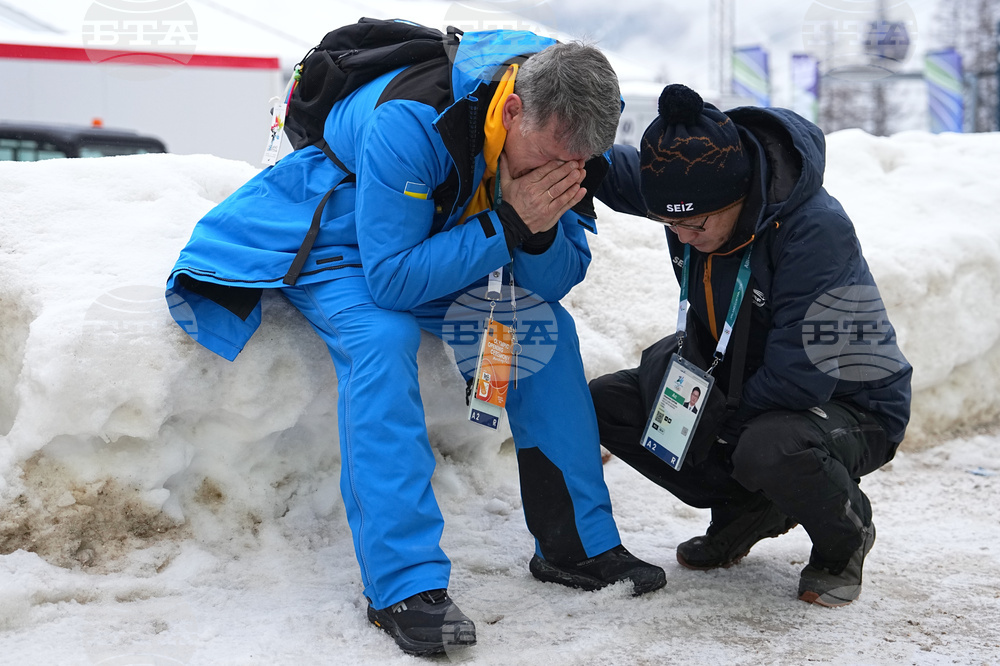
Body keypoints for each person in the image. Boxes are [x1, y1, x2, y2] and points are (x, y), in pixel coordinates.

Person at [165, 25, 664, 657]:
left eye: (574, 167)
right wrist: (509, 220)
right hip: (343, 237)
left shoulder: (560, 143)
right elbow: (393, 278)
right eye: (546, 162)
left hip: (450, 234)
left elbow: (556, 280)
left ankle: (576, 546)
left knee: (542, 327)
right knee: (382, 336)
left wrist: (534, 232)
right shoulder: (412, 119)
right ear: (513, 110)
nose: (558, 176)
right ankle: (403, 586)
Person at [592, 84, 912, 607]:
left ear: (740, 197)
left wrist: (709, 424)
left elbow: (801, 375)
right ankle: (748, 508)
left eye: (695, 223)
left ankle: (845, 537)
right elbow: (603, 165)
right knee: (610, 404)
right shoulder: (687, 198)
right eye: (669, 224)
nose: (684, 236)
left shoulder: (817, 232)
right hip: (743, 383)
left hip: (850, 400)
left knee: (767, 447)